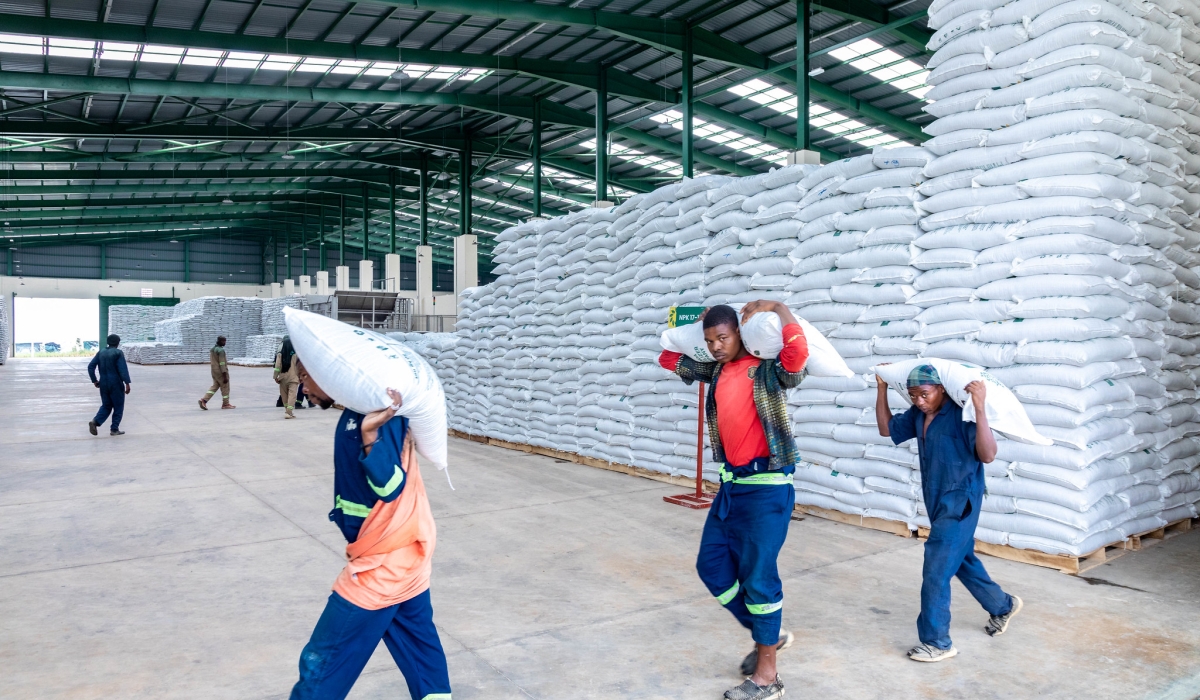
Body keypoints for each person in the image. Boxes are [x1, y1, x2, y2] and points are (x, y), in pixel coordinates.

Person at [659, 301, 809, 700]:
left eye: (723, 337)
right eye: (709, 341)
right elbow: (667, 356)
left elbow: (797, 359)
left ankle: (768, 679)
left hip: (767, 488)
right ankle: (768, 635)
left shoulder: (767, 370)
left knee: (759, 578)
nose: (716, 346)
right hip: (730, 489)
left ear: (742, 333)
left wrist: (780, 308)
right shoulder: (716, 368)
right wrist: (694, 324)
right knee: (711, 566)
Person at [289, 358, 451, 700]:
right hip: (404, 553)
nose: (302, 387)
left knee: (323, 660)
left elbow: (391, 486)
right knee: (420, 650)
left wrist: (369, 436)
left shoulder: (376, 418)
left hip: (385, 560)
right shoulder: (354, 412)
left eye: (304, 376)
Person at [874, 364, 1022, 663]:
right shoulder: (918, 415)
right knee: (962, 561)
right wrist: (882, 388)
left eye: (925, 394)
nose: (919, 400)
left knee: (936, 570)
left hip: (960, 504)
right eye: (914, 395)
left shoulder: (961, 414)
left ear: (941, 389)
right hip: (936, 500)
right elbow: (887, 429)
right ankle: (1002, 605)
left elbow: (988, 455)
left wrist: (979, 406)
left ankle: (937, 641)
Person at [87, 334, 131, 436]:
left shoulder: (101, 352)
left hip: (103, 383)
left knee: (106, 405)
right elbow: (122, 369)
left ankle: (95, 421)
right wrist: (127, 383)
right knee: (118, 406)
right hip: (115, 383)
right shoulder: (118, 353)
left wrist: (95, 380)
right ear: (118, 343)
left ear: (108, 342)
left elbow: (90, 367)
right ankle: (114, 429)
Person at [199, 336, 235, 410]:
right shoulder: (220, 350)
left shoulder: (213, 349)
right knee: (225, 387)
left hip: (214, 371)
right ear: (219, 341)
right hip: (221, 372)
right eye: (223, 341)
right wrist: (224, 374)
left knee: (215, 386)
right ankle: (225, 404)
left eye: (225, 341)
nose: (224, 343)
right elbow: (222, 363)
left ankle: (204, 400)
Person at [275, 337, 301, 418]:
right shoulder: (296, 355)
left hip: (282, 378)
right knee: (292, 395)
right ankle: (289, 412)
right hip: (293, 378)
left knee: (284, 395)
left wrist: (275, 376)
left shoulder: (280, 354)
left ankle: (287, 411)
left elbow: (277, 366)